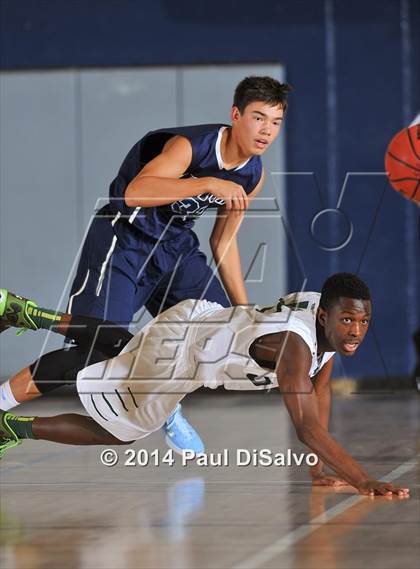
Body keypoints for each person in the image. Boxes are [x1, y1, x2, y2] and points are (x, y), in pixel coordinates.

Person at [1, 75, 291, 453]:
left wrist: (243, 310)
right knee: (94, 352)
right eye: (258, 118)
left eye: (276, 122)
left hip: (175, 251)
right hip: (125, 241)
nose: (266, 131)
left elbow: (223, 240)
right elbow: (135, 193)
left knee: (215, 336)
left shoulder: (252, 172)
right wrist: (204, 183)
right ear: (236, 115)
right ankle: (6, 394)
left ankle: (167, 409)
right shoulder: (191, 147)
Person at [0, 273, 410, 496]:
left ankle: (33, 316)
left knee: (122, 348)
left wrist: (318, 468)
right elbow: (307, 427)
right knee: (123, 429)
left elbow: (320, 392)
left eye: (363, 321)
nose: (356, 330)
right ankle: (11, 427)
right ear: (324, 317)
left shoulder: (324, 315)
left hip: (201, 322)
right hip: (182, 353)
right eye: (347, 321)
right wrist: (362, 479)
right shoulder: (294, 348)